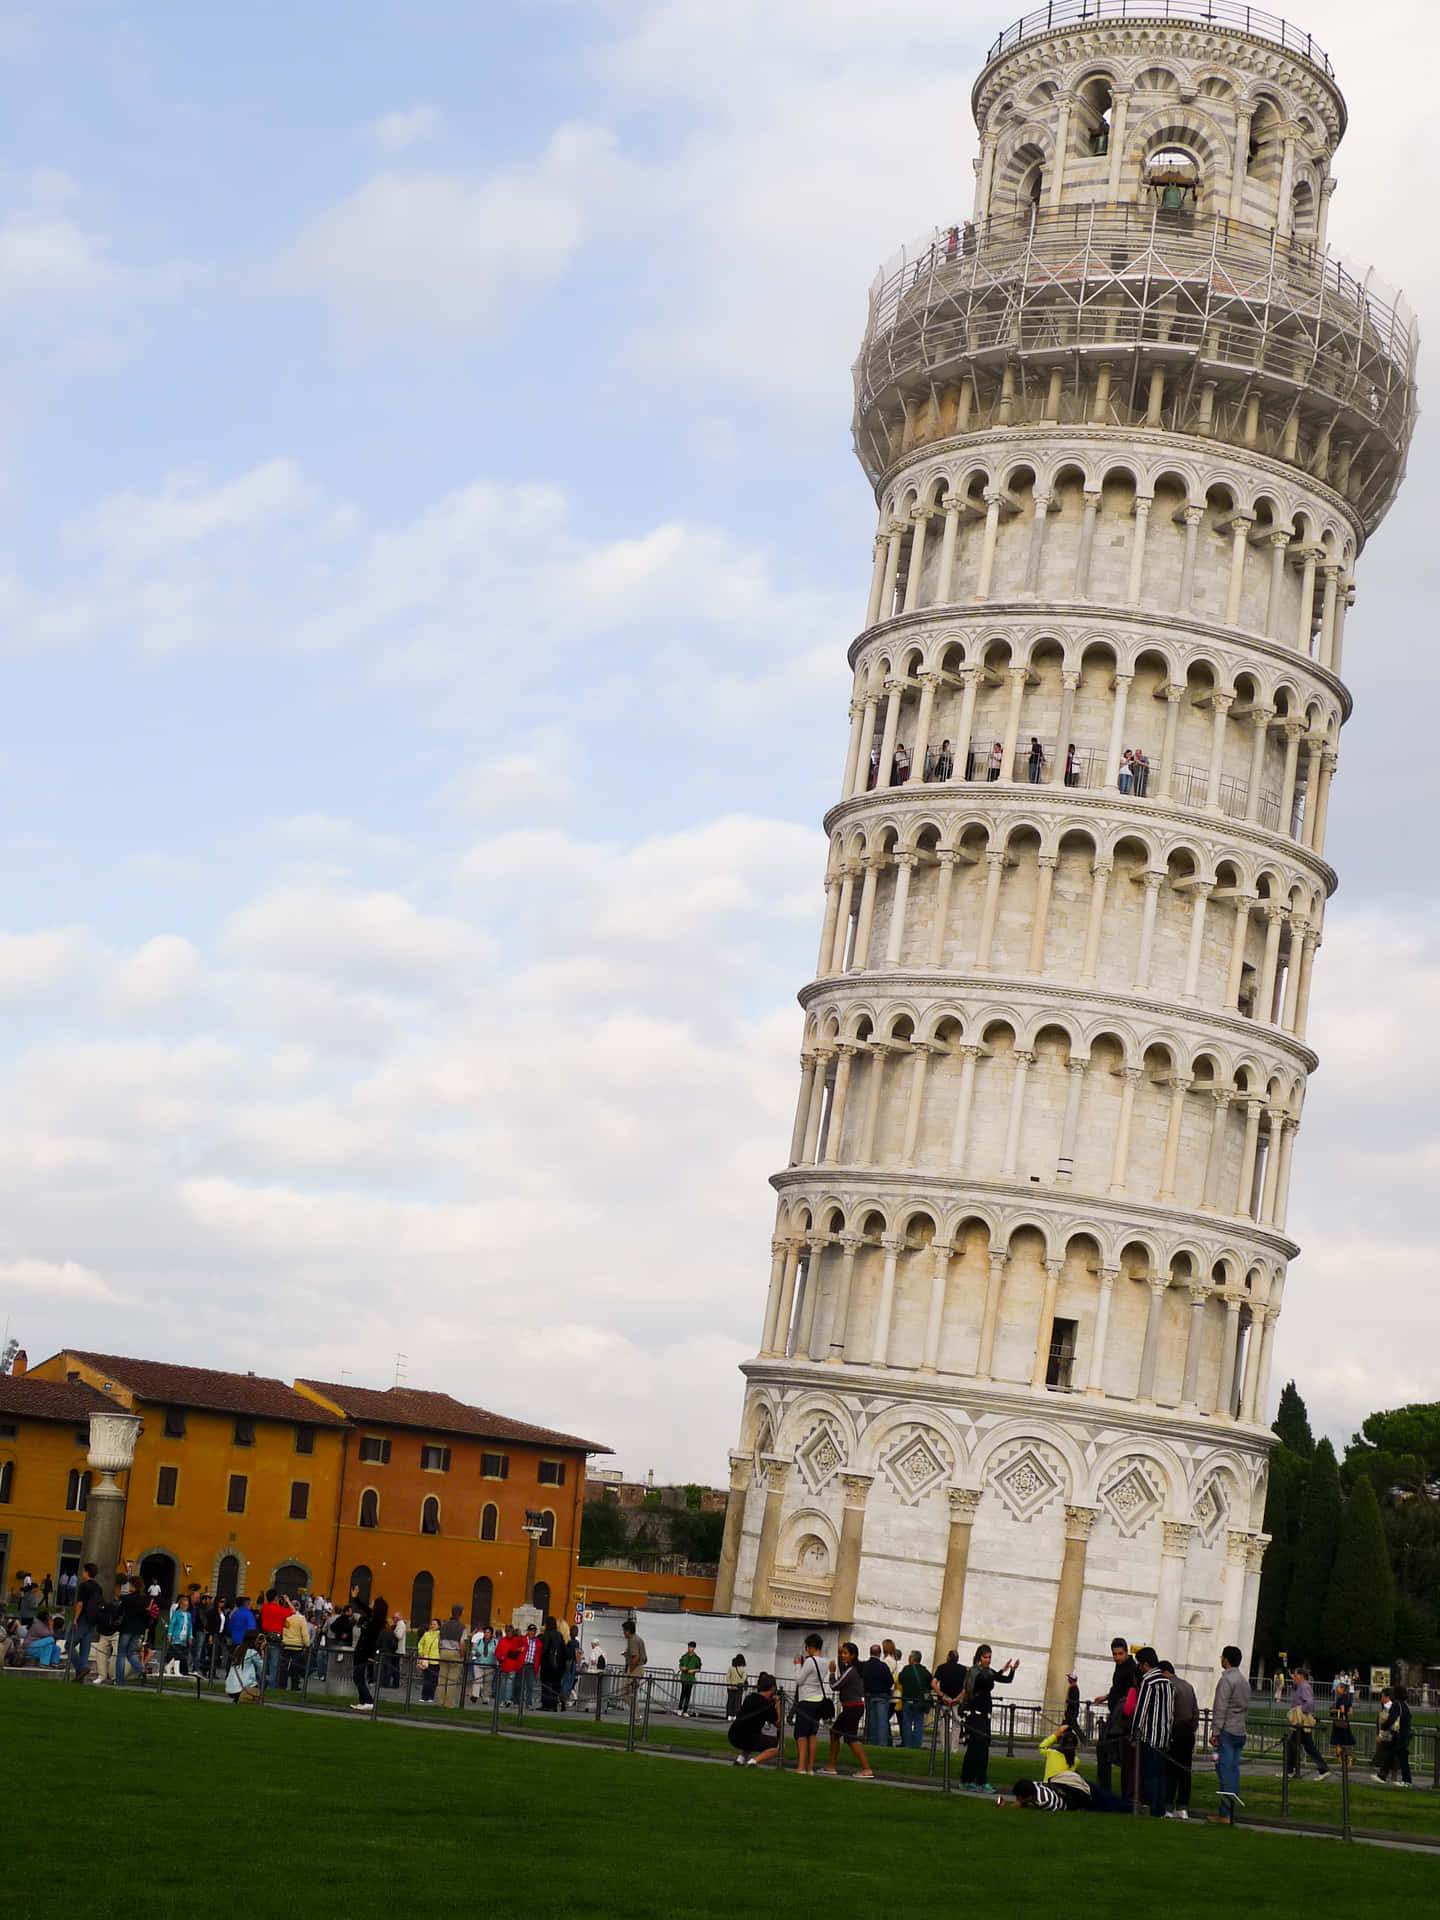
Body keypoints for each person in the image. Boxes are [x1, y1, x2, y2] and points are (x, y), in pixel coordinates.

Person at [960, 1644, 1017, 1793]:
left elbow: (1005, 1680)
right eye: (985, 1657)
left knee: (982, 1748)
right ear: (979, 1657)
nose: (988, 1660)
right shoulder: (974, 1672)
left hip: (985, 1715)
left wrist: (1012, 1670)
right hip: (974, 1714)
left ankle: (976, 1780)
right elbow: (984, 1681)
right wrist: (1001, 1671)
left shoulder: (988, 1672)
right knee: (976, 1748)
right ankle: (970, 1779)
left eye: (990, 1657)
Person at [1208, 1643, 1251, 1823]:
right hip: (1239, 1730)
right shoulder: (1243, 1681)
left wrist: (1215, 1732)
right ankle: (1230, 1809)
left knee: (1224, 1770)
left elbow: (1220, 1707)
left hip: (1227, 1730)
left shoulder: (1226, 1680)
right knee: (1233, 1770)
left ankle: (1225, 1813)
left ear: (1226, 1660)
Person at [1130, 1647, 1174, 1817]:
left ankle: (1153, 1808)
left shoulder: (1148, 1682)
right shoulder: (1167, 1683)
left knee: (1150, 1775)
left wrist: (1134, 1734)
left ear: (1146, 1664)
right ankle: (1160, 1809)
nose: (1139, 1668)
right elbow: (1170, 1712)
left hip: (1149, 1737)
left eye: (1140, 1664)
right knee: (1160, 1775)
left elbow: (1141, 1711)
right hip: (1163, 1736)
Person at [1093, 1637, 1140, 1798]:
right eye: (1114, 1654)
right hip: (1116, 1715)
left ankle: (1114, 1793)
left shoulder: (1131, 1669)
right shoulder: (1120, 1667)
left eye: (1120, 1654)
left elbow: (1130, 1694)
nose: (1117, 1657)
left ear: (1126, 1652)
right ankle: (1107, 1791)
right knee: (1108, 1754)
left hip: (1122, 1721)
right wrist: (1107, 1697)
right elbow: (1118, 1689)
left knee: (1112, 1755)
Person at [822, 1641, 875, 1778]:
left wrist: (832, 1673)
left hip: (852, 1708)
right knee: (834, 1733)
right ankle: (831, 1766)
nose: (843, 1656)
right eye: (842, 1653)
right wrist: (840, 1654)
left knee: (850, 1739)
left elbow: (835, 1686)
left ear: (853, 1655)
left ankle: (867, 1769)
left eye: (846, 1653)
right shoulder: (853, 1668)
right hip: (851, 1707)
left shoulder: (851, 1671)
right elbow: (842, 1668)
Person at [1160, 1659, 1199, 1818]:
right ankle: (1182, 1806)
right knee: (1185, 1771)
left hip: (1175, 1731)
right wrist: (1192, 1728)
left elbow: (1167, 1713)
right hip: (1188, 1732)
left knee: (1171, 1771)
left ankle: (1168, 1806)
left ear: (1164, 1673)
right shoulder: (1188, 1686)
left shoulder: (1169, 1686)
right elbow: (1195, 1711)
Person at [792, 1631, 831, 1775]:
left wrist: (797, 1665)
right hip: (818, 1700)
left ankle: (801, 1767)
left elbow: (799, 1680)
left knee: (801, 1735)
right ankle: (810, 1767)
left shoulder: (809, 1661)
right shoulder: (825, 1662)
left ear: (810, 1647)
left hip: (806, 1700)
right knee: (812, 1734)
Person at [1285, 1666, 1329, 1780]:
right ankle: (1291, 1770)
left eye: (1295, 1675)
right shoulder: (1301, 1685)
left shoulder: (1304, 1686)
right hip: (1300, 1722)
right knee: (1298, 1746)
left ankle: (1291, 1771)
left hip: (1301, 1721)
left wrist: (1299, 1711)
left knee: (1299, 1746)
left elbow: (1309, 1703)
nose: (1293, 1677)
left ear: (1300, 1676)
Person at [728, 1673, 781, 1766]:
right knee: (779, 1746)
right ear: (773, 1688)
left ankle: (740, 1760)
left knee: (756, 1736)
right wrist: (778, 1705)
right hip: (747, 1736)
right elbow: (778, 1723)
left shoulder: (749, 1697)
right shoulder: (767, 1704)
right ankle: (753, 1761)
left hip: (733, 1734)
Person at [352, 1594, 388, 1712]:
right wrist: (356, 1598)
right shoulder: (372, 1617)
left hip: (364, 1651)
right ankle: (363, 1701)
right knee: (359, 1678)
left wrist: (370, 1655)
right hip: (361, 1649)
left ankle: (368, 1701)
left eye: (373, 1603)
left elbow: (372, 1640)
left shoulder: (376, 1622)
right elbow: (363, 1607)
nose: (370, 1604)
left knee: (357, 1677)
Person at [114, 1577, 152, 1687]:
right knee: (130, 1653)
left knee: (121, 1654)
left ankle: (119, 1680)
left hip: (127, 1628)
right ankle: (141, 1670)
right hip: (138, 1629)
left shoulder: (126, 1599)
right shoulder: (145, 1600)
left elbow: (119, 1612)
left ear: (133, 1585)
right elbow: (146, 1615)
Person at [69, 1561, 103, 1683]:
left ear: (86, 1572)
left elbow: (80, 1603)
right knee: (85, 1648)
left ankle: (81, 1668)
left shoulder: (84, 1586)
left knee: (69, 1644)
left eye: (83, 1571)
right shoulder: (98, 1587)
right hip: (92, 1620)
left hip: (83, 1618)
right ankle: (80, 1677)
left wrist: (75, 1619)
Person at [1374, 1685, 1412, 1786]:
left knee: (1394, 1756)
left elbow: (1391, 1718)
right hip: (1404, 1734)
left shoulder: (1396, 1705)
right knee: (1395, 1756)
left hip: (1398, 1735)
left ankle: (1404, 1780)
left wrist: (1384, 1726)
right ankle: (1384, 1775)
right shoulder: (1405, 1705)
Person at [860, 1643, 894, 1748]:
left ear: (870, 1653)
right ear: (879, 1654)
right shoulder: (883, 1666)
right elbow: (890, 1681)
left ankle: (872, 1742)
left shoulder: (865, 1666)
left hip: (869, 1695)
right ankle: (882, 1743)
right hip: (882, 1695)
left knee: (871, 1721)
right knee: (882, 1721)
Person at [898, 1650, 932, 1748]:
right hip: (920, 1702)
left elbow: (900, 1680)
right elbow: (931, 1683)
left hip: (907, 1700)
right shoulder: (924, 1671)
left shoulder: (906, 1669)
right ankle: (917, 1745)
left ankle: (907, 1744)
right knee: (919, 1724)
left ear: (912, 1659)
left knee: (907, 1724)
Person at [439, 1606, 468, 1709]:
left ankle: (441, 1702)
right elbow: (462, 1643)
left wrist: (440, 1652)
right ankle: (449, 1704)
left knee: (442, 1679)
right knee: (452, 1680)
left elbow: (439, 1641)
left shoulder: (444, 1625)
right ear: (460, 1613)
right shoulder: (462, 1627)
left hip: (443, 1652)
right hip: (455, 1653)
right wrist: (462, 1656)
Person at [279, 1602, 310, 1691]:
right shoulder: (301, 1619)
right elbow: (304, 1633)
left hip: (285, 1644)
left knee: (284, 1666)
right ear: (299, 1608)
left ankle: (282, 1685)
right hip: (297, 1646)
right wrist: (307, 1644)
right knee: (296, 1667)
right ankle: (294, 1686)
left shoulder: (285, 1617)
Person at [226, 1630, 263, 1703]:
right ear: (254, 1640)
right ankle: (255, 1698)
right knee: (265, 1679)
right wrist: (262, 1650)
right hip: (243, 1689)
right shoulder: (252, 1652)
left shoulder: (238, 1648)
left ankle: (237, 1700)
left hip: (230, 1688)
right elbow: (262, 1668)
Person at [621, 1618, 647, 1713]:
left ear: (628, 1631)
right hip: (637, 1667)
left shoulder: (633, 1640)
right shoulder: (636, 1638)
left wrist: (630, 1670)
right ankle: (635, 1714)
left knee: (628, 1693)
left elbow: (636, 1657)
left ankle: (636, 1715)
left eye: (624, 1631)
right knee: (628, 1693)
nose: (623, 1633)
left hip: (635, 1669)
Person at [495, 1624, 526, 1704]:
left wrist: (520, 1649)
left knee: (510, 1684)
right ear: (505, 1632)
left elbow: (523, 1647)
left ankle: (507, 1700)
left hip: (512, 1666)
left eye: (510, 1631)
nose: (508, 1633)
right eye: (507, 1631)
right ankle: (501, 1700)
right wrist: (500, 1657)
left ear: (512, 1632)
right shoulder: (502, 1640)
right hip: (504, 1665)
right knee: (503, 1684)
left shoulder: (517, 1640)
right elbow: (497, 1651)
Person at [165, 1594, 194, 1676]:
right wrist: (170, 1634)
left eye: (187, 1605)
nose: (186, 1607)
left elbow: (190, 1626)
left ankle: (169, 1666)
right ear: (180, 1605)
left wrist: (190, 1636)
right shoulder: (177, 1614)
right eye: (184, 1605)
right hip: (177, 1636)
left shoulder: (188, 1615)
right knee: (177, 1654)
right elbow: (172, 1624)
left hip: (184, 1637)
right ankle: (176, 1670)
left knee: (181, 1654)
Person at [470, 1627, 497, 1704]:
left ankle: (485, 1698)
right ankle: (475, 1695)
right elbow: (473, 1650)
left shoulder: (495, 1642)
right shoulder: (479, 1641)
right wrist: (475, 1653)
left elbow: (498, 1651)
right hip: (479, 1663)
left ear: (491, 1634)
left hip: (490, 1665)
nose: (486, 1634)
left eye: (488, 1632)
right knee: (477, 1679)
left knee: (487, 1682)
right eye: (485, 1632)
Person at [417, 1618, 441, 1702]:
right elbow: (420, 1644)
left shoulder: (440, 1635)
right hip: (426, 1660)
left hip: (436, 1660)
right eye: (431, 1624)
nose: (432, 1626)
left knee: (433, 1679)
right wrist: (420, 1652)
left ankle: (431, 1696)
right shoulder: (426, 1634)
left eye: (434, 1624)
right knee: (426, 1679)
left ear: (439, 1626)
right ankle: (424, 1696)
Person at [677, 1641, 702, 1717]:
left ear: (694, 1648)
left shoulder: (696, 1658)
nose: (690, 1648)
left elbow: (699, 1669)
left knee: (688, 1695)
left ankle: (685, 1710)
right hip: (684, 1677)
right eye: (689, 1647)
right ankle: (680, 1709)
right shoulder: (684, 1656)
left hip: (691, 1678)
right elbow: (680, 1666)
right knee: (683, 1694)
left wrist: (693, 1670)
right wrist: (682, 1668)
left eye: (691, 1647)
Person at [725, 1653, 747, 1719]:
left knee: (730, 1701)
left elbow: (728, 1677)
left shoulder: (731, 1668)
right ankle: (736, 1715)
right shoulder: (743, 1669)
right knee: (738, 1702)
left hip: (731, 1687)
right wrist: (740, 1683)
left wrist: (730, 1685)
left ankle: (729, 1715)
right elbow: (744, 1678)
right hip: (739, 1688)